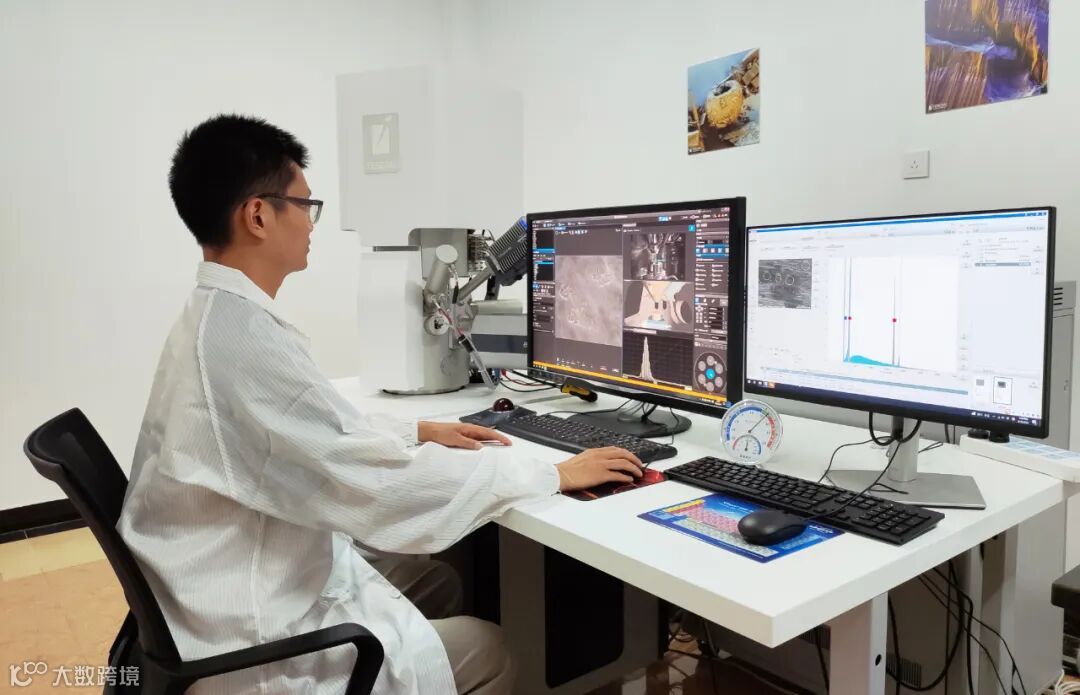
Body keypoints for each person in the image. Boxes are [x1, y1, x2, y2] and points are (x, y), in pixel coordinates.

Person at [117, 114, 645, 695]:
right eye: (306, 205)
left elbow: (316, 432)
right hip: (251, 633)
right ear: (259, 216)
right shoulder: (244, 341)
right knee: (491, 649)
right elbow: (382, 488)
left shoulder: (216, 317)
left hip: (214, 591)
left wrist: (416, 430)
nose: (312, 223)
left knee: (438, 582)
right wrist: (550, 474)